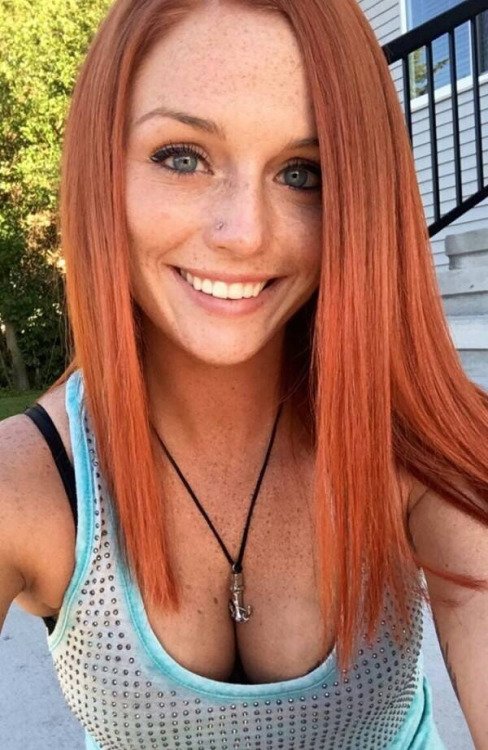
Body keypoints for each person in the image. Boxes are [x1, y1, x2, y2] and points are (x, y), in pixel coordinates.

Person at [1, 0, 487, 748]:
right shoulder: (28, 484)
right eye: (182, 157)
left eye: (302, 172)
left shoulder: (418, 442)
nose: (245, 233)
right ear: (103, 170)